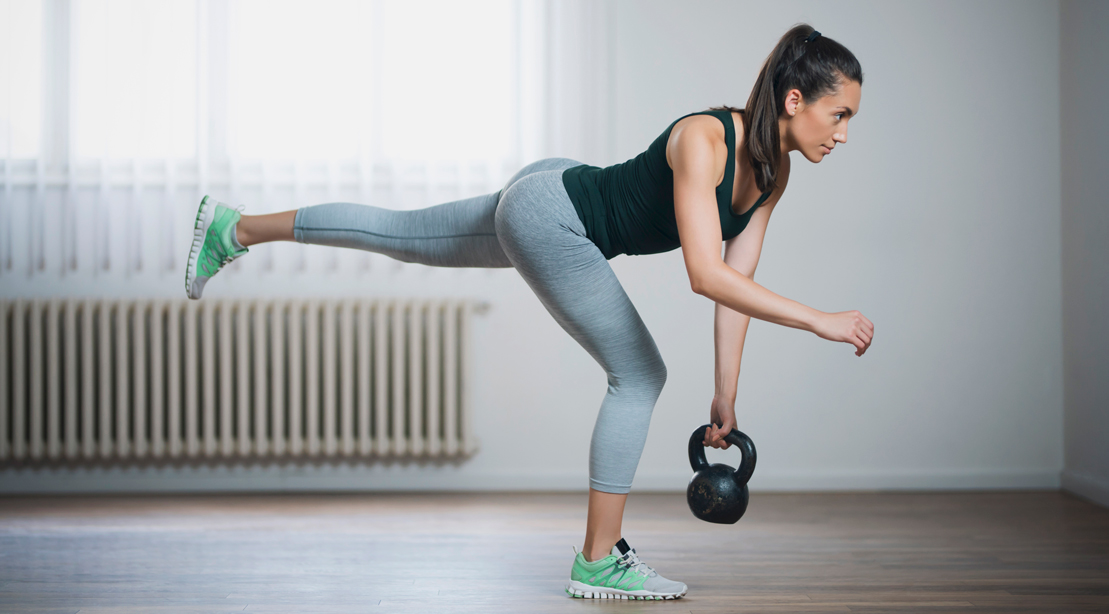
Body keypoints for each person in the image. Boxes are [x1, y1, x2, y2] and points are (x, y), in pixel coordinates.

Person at [184, 23, 872, 601]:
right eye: (838, 115)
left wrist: (725, 395)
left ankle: (234, 228)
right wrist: (818, 319)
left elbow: (735, 288)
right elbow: (704, 274)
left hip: (552, 195)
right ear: (792, 100)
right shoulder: (706, 139)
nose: (843, 135)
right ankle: (597, 561)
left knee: (400, 233)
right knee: (638, 376)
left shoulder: (771, 178)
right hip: (555, 217)